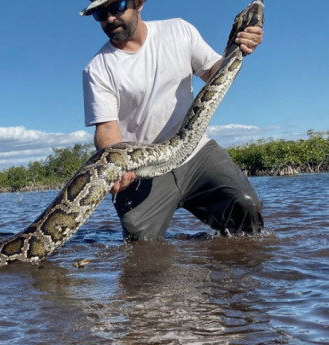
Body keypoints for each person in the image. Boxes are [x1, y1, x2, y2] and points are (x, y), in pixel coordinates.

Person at [80, 0, 264, 240]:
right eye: (100, 14)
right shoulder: (96, 69)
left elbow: (213, 73)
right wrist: (117, 166)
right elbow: (106, 128)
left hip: (196, 152)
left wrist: (238, 49)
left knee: (246, 207)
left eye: (117, 7)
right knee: (140, 244)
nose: (109, 18)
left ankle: (236, 271)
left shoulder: (179, 30)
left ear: (138, 4)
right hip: (141, 168)